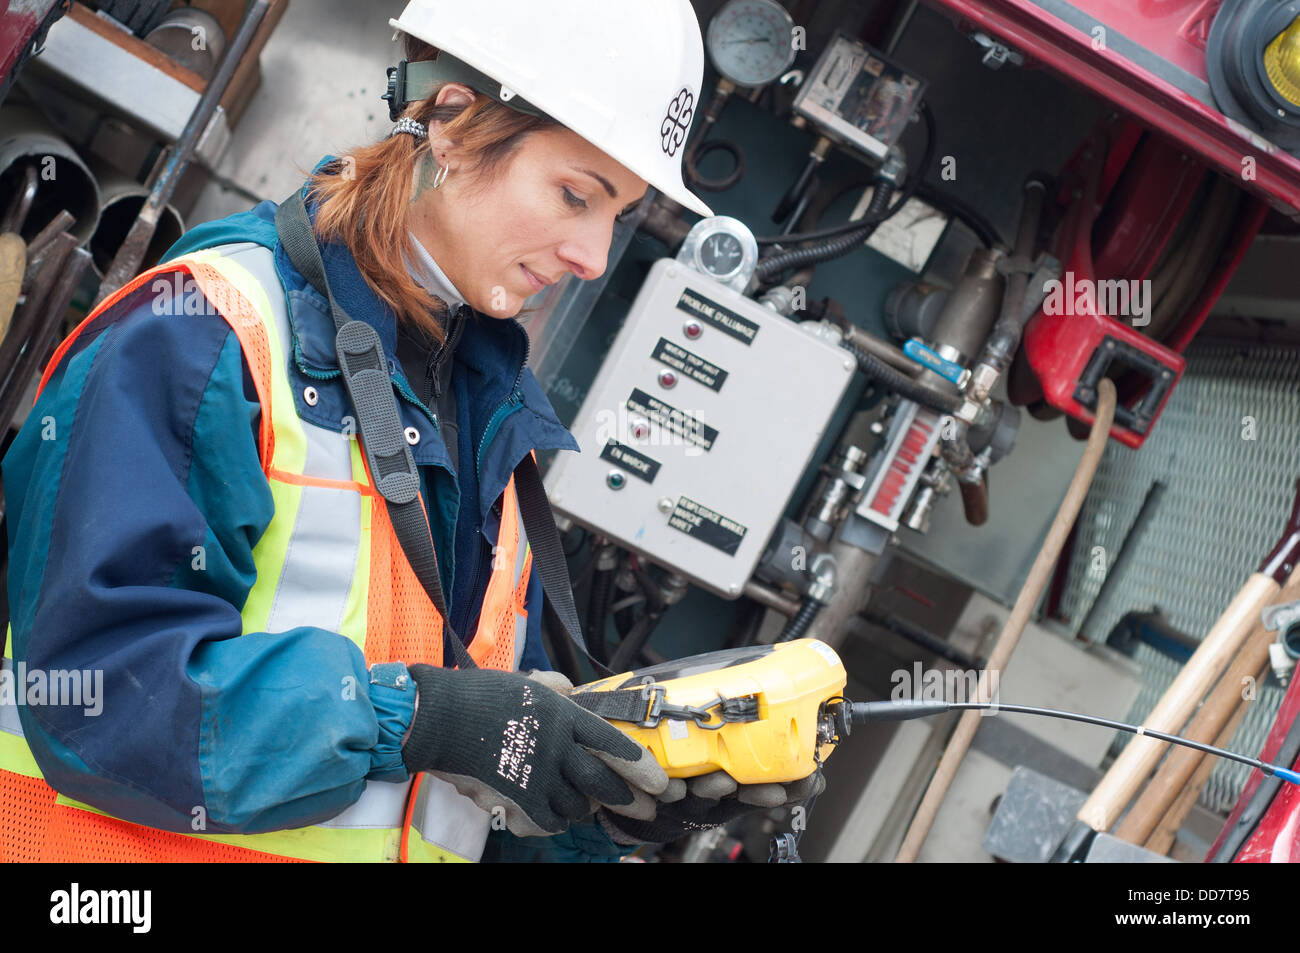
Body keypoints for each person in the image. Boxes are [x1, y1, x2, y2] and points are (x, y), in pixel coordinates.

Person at [0, 0, 816, 864]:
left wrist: (603, 807)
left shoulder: (489, 418)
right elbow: (101, 699)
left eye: (619, 215)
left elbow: (457, 797)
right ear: (455, 123)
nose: (592, 253)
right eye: (576, 194)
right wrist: (423, 719)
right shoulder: (203, 335)